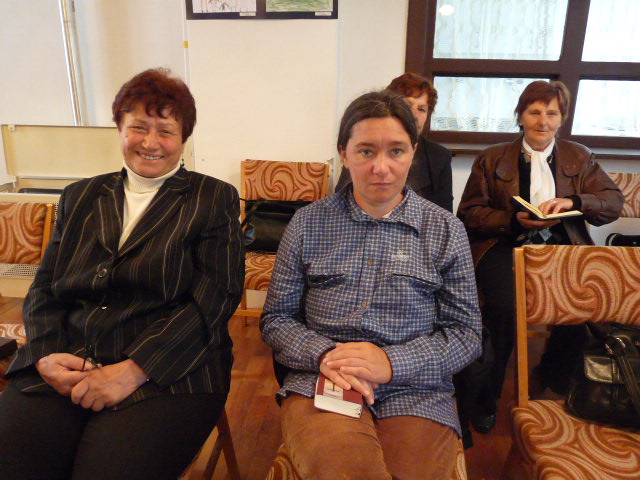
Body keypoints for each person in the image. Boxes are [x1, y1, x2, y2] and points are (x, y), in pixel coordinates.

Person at [0, 68, 245, 479]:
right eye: (138, 127)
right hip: (70, 357)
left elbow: (214, 300)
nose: (150, 142)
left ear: (184, 138)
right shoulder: (80, 195)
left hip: (169, 371)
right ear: (119, 128)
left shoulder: (212, 197)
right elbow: (45, 287)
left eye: (165, 130)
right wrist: (46, 355)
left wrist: (134, 370)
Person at [261, 90, 481, 479]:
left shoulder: (446, 230)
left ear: (413, 152)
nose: (381, 167)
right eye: (366, 151)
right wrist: (326, 354)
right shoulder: (308, 223)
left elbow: (466, 334)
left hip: (417, 388)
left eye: (396, 151)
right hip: (325, 377)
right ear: (344, 154)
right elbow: (277, 318)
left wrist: (391, 363)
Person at [457, 80, 624, 434]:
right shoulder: (492, 157)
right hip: (504, 244)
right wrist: (512, 220)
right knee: (503, 309)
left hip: (562, 246)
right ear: (520, 115)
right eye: (534, 112)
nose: (543, 121)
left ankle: (552, 378)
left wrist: (574, 202)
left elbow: (612, 202)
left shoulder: (580, 156)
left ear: (562, 118)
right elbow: (469, 213)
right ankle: (486, 399)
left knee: (581, 305)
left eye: (552, 113)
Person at [336, 72, 453, 211]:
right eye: (407, 105)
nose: (414, 115)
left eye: (422, 109)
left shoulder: (439, 156)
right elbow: (343, 199)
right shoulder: (360, 142)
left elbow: (444, 208)